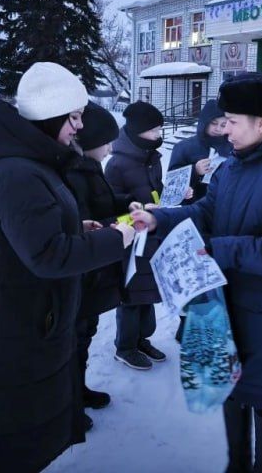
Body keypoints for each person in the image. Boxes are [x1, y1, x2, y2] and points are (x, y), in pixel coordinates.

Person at [133, 74, 262, 473]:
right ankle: (236, 464)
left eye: (233, 121)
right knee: (230, 385)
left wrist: (219, 250)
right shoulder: (233, 166)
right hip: (224, 301)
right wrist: (160, 219)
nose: (225, 129)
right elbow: (205, 213)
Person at [0, 62, 135, 472]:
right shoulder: (17, 172)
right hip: (7, 330)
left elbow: (40, 233)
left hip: (24, 322)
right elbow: (48, 256)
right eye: (73, 116)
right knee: (1, 443)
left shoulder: (33, 164)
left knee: (19, 439)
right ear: (50, 116)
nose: (79, 126)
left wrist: (79, 226)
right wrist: (115, 238)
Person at [63, 101, 137, 429]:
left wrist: (127, 205)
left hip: (94, 271)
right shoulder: (71, 173)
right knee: (72, 340)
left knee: (84, 334)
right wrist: (123, 222)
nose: (110, 148)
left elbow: (103, 203)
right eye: (106, 142)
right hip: (79, 271)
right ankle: (67, 407)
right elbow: (84, 220)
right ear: (90, 141)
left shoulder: (90, 168)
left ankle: (78, 391)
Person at [104, 101, 168, 371]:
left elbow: (155, 191)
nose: (159, 135)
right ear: (139, 132)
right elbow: (109, 210)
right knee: (131, 295)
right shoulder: (116, 165)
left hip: (152, 235)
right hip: (131, 240)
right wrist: (137, 214)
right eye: (154, 130)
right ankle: (125, 346)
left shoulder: (152, 158)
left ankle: (142, 339)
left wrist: (172, 195)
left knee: (149, 292)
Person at [167, 98, 231, 342]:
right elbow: (171, 187)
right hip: (192, 218)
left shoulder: (233, 146)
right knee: (192, 274)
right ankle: (186, 323)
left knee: (217, 272)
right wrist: (193, 172)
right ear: (203, 123)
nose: (218, 129)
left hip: (222, 218)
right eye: (213, 123)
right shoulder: (186, 147)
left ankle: (214, 322)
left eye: (223, 123)